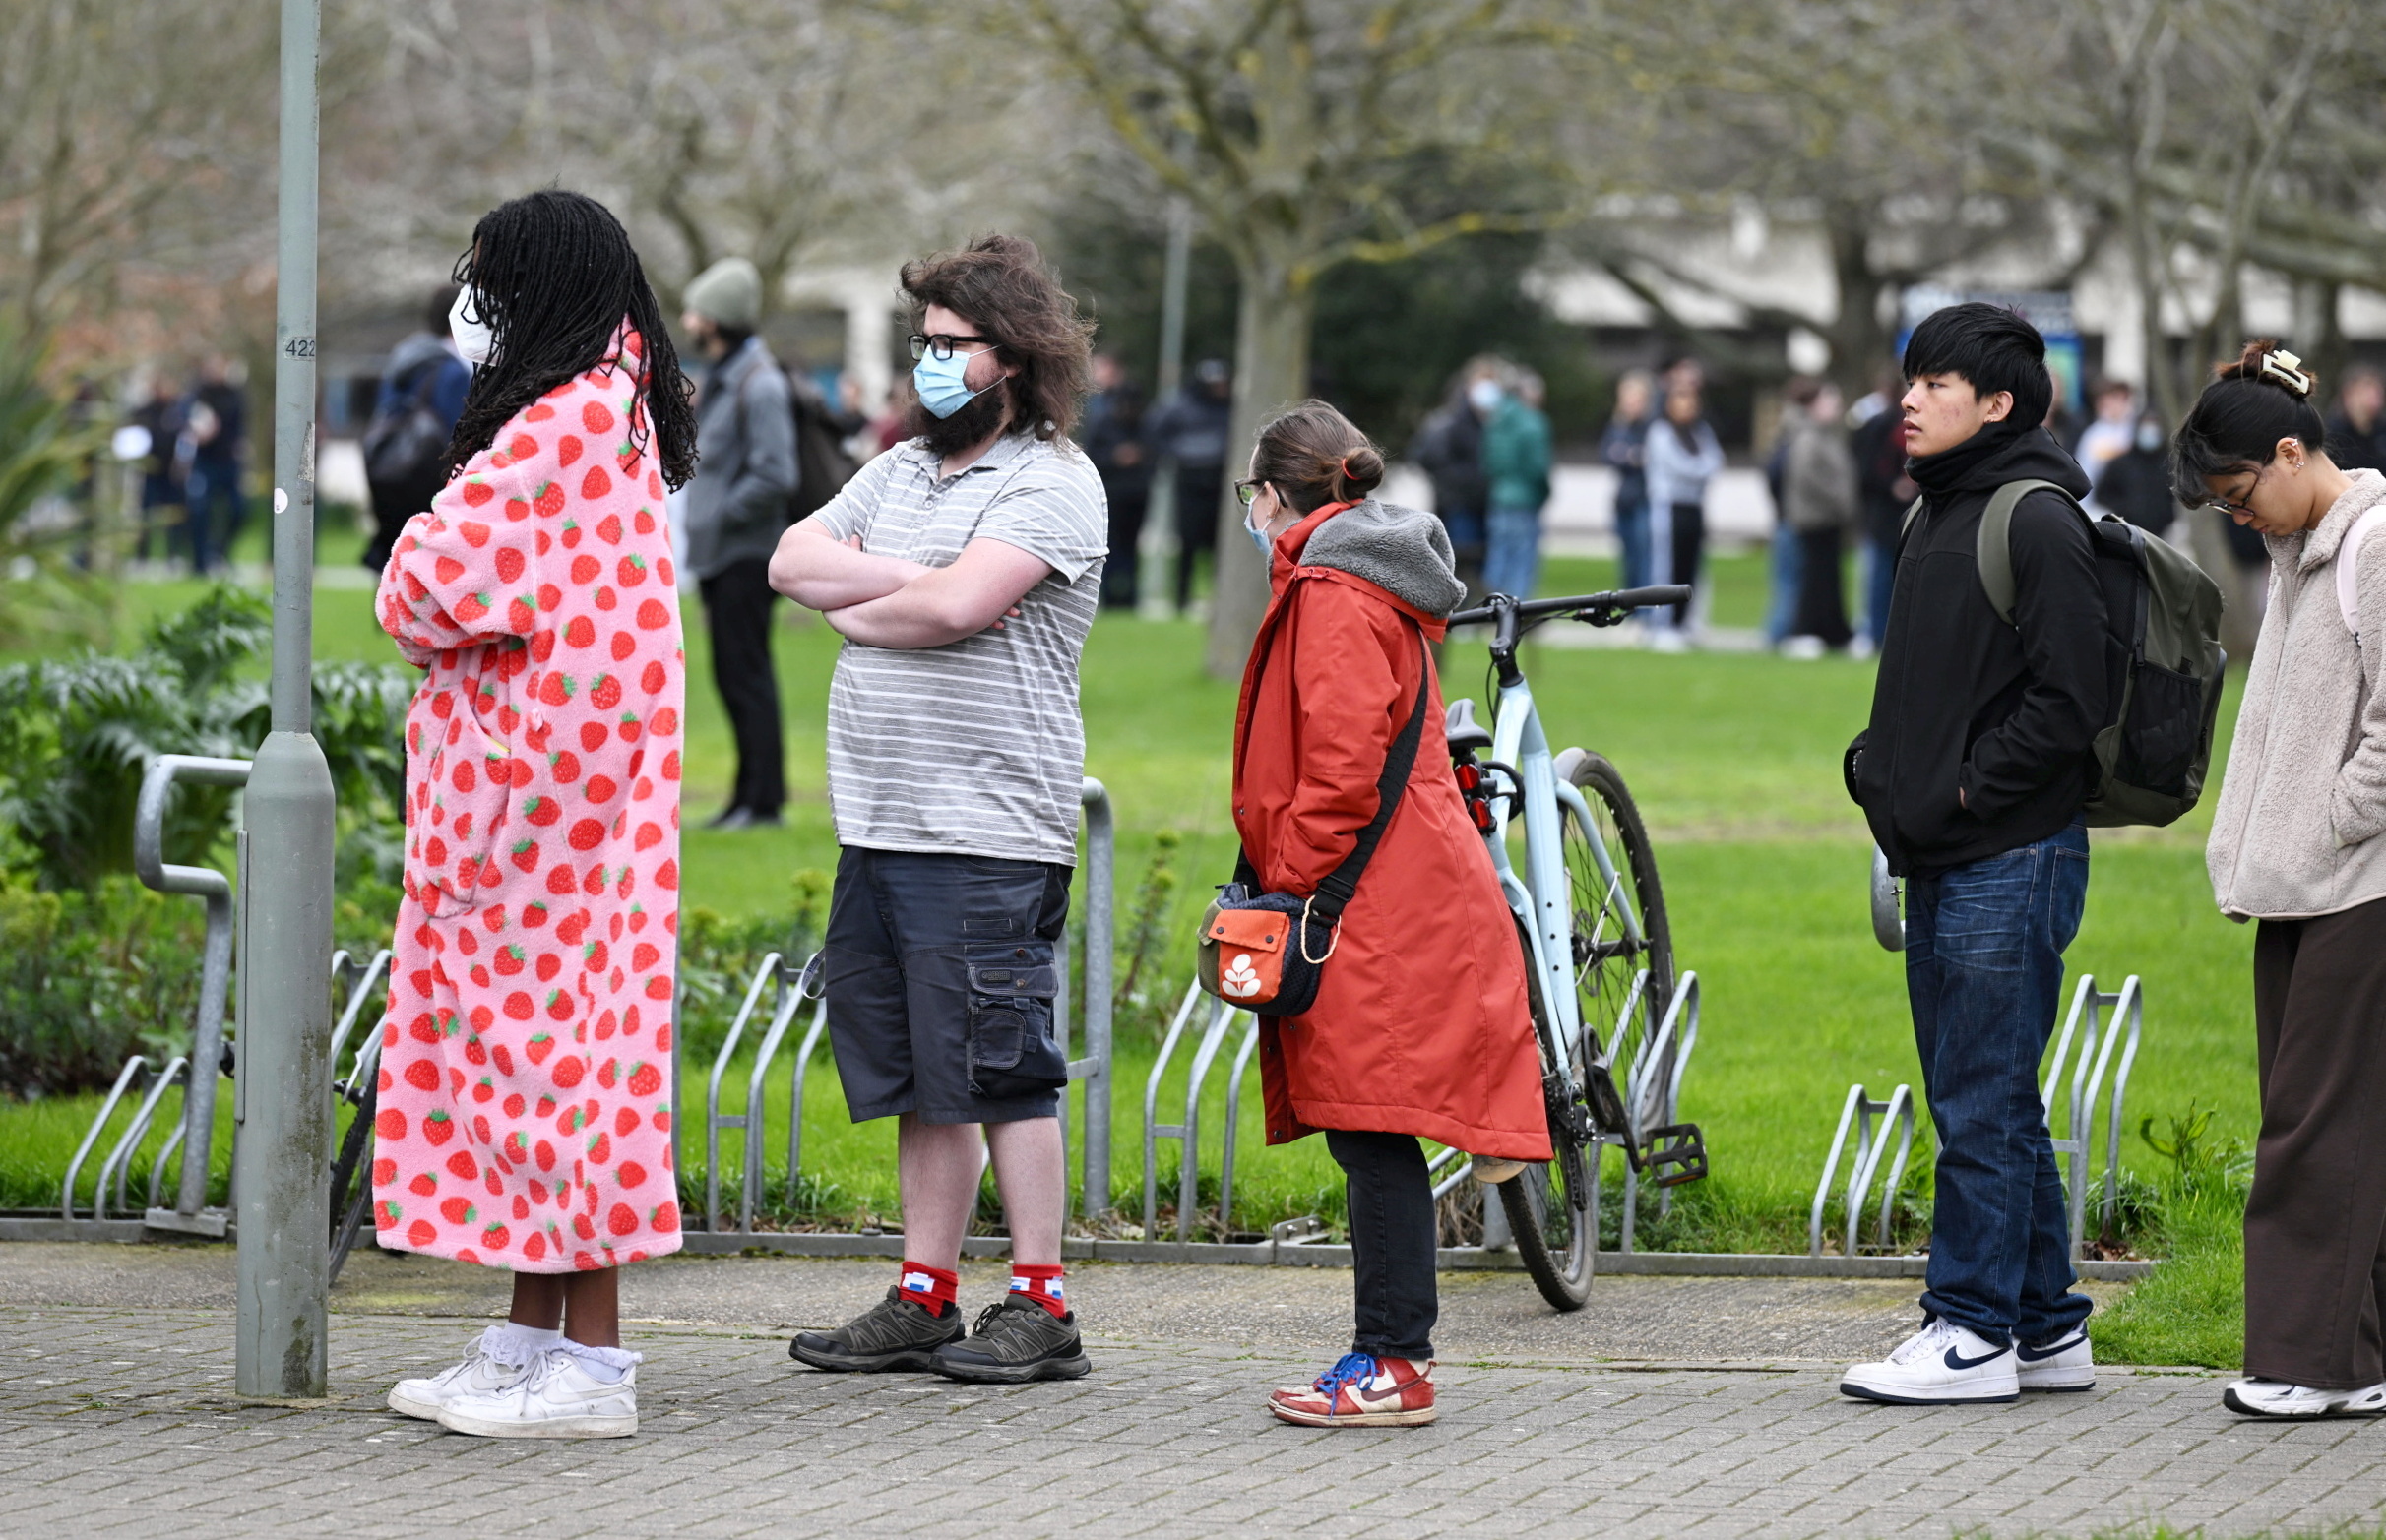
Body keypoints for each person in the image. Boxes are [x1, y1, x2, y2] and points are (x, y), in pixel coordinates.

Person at [370, 188, 699, 1439]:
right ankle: (526, 1338)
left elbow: (420, 587)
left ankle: (592, 1368)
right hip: (571, 806)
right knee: (555, 1067)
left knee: (552, 1074)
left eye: (490, 278)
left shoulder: (557, 426)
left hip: (534, 818)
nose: (475, 302)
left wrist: (416, 541)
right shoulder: (613, 408)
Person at [769, 232, 1107, 1386]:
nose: (926, 362)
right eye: (922, 340)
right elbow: (787, 561)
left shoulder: (1054, 481)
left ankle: (1042, 1299)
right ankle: (926, 1290)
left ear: (1011, 358)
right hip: (883, 818)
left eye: (950, 345)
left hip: (988, 829)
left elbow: (961, 606)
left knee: (1004, 1067)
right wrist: (908, 587)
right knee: (922, 1071)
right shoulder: (905, 470)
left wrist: (876, 594)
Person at [1229, 400, 1549, 1429]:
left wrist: (1292, 881)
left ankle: (1393, 1362)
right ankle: (1388, 1356)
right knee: (1374, 1124)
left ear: (1278, 496)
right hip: (1399, 888)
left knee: (1372, 1130)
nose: (1250, 512)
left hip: (1367, 900)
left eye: (1251, 493)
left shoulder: (1331, 592)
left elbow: (1336, 770)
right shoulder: (1372, 577)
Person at [1841, 302, 2108, 1405]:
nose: (1909, 398)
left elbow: (2072, 700)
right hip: (1944, 849)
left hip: (2010, 849)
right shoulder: (1935, 512)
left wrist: (1960, 786)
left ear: (1996, 402)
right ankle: (2046, 1327)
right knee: (1988, 1091)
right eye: (1911, 378)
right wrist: (1879, 769)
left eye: (1936, 383)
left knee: (1980, 1095)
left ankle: (1972, 1327)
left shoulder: (2035, 519)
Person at [2187, 342, 2386, 1418]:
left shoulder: (2374, 543)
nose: (2240, 515)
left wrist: (2339, 819)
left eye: (2240, 492)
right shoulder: (2301, 551)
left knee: (2314, 1124)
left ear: (2287, 450)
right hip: (2301, 884)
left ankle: (2309, 1362)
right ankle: (2352, 1361)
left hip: (2360, 880)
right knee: (2330, 1113)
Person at [680, 256, 799, 832]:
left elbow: (776, 472)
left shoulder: (761, 384)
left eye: (697, 310)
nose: (688, 320)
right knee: (731, 674)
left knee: (746, 673)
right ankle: (745, 797)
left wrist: (721, 515)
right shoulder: (724, 379)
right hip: (719, 553)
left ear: (719, 318)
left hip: (746, 554)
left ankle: (765, 802)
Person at [363, 287, 474, 573]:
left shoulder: (404, 361)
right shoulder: (454, 371)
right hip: (432, 477)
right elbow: (461, 434)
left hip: (391, 472)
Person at [1146, 357, 1232, 613]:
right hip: (1189, 483)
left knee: (1221, 544)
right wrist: (1175, 453)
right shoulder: (1181, 405)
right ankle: (1182, 597)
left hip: (1220, 483)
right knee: (1188, 542)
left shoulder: (1229, 408)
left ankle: (1223, 599)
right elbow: (1154, 431)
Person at [1644, 363, 1723, 645]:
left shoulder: (1700, 433)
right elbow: (1681, 467)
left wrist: (1700, 469)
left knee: (1692, 566)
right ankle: (1662, 626)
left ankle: (1686, 621)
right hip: (1670, 506)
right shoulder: (1660, 432)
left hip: (1694, 506)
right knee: (1669, 567)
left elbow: (1715, 462)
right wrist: (1699, 469)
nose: (1688, 404)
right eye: (1681, 397)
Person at [1412, 359, 1502, 595]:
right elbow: (1429, 457)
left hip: (1484, 503)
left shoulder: (1493, 422)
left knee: (1481, 562)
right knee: (1460, 560)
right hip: (1458, 503)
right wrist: (1460, 483)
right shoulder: (1449, 421)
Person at [1781, 377, 1856, 653]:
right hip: (1814, 518)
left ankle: (1834, 632)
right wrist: (1838, 499)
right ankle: (1805, 631)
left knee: (1829, 578)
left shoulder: (1826, 435)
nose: (1836, 405)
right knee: (1814, 578)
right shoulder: (1808, 437)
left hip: (1829, 518)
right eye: (1829, 399)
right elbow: (1807, 476)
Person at [1850, 365, 1915, 652]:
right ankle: (1876, 634)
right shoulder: (1878, 425)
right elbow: (1866, 471)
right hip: (1884, 514)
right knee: (1879, 578)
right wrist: (1892, 485)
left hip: (1909, 512)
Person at [1082, 352, 1151, 609]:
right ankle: (1110, 597)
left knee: (1130, 546)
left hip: (1135, 492)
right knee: (1109, 546)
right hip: (1112, 491)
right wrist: (1116, 457)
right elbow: (1093, 453)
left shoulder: (1144, 425)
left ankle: (1128, 597)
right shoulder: (1102, 421)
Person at [1481, 367, 1553, 600]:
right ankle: (1515, 613)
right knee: (1522, 561)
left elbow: (1487, 461)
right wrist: (1544, 494)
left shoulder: (1496, 420)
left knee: (1498, 557)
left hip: (1499, 495)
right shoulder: (1532, 423)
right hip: (1524, 499)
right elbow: (1538, 468)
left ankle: (1489, 609)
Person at [181, 354, 247, 574]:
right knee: (199, 510)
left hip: (228, 462)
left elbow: (239, 427)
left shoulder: (234, 396)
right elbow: (186, 423)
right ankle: (199, 563)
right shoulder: (197, 396)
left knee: (239, 509)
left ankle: (220, 551)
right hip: (204, 463)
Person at [1601, 370, 1657, 590]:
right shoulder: (1618, 426)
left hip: (1644, 499)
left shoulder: (1652, 427)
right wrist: (1630, 457)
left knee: (1645, 557)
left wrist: (1629, 456)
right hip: (1623, 500)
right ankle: (1630, 608)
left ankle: (1644, 610)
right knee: (1628, 558)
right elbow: (1607, 454)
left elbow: (1647, 458)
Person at [128, 376, 187, 564]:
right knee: (146, 514)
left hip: (171, 471)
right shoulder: (144, 412)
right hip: (150, 470)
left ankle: (173, 554)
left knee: (173, 514)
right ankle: (142, 556)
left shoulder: (178, 411)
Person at [2094, 413, 2181, 536]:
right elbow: (2102, 493)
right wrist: (2125, 510)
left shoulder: (2169, 464)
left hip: (2165, 533)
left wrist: (2167, 514)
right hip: (2128, 532)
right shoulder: (2121, 463)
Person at [2075, 377, 2137, 513]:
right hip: (2097, 509)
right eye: (2115, 398)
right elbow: (2085, 474)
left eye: (2123, 399)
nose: (2119, 404)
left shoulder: (2135, 431)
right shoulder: (2093, 436)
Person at [2327, 364, 2386, 472]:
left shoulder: (2381, 432)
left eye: (2377, 391)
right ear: (2348, 394)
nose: (2373, 397)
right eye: (2366, 390)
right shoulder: (2333, 435)